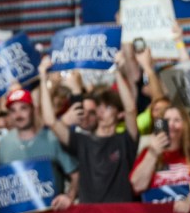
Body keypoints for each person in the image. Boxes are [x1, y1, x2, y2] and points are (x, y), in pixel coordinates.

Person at [39, 54, 139, 204]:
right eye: (99, 107)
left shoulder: (126, 140)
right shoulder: (81, 141)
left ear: (120, 114)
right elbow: (50, 121)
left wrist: (117, 71)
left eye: (108, 107)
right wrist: (42, 76)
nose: (101, 111)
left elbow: (131, 109)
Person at [0, 88, 77, 209]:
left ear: (33, 110)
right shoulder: (4, 143)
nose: (18, 115)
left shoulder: (52, 138)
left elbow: (76, 174)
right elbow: (1, 182)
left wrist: (69, 197)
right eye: (13, 110)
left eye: (23, 108)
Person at [130, 104, 190, 213]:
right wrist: (153, 153)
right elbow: (137, 186)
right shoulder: (147, 152)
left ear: (185, 125)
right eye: (167, 120)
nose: (171, 125)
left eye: (177, 120)